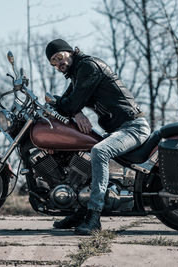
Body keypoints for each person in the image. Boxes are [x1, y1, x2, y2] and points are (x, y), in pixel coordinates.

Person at [45, 39, 151, 235]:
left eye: (60, 57)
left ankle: (94, 217)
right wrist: (74, 111)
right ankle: (80, 210)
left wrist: (72, 108)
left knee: (99, 151)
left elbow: (70, 103)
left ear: (70, 52)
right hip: (119, 129)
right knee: (81, 151)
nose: (59, 63)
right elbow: (68, 103)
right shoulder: (77, 74)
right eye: (53, 62)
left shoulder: (88, 66)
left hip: (133, 127)